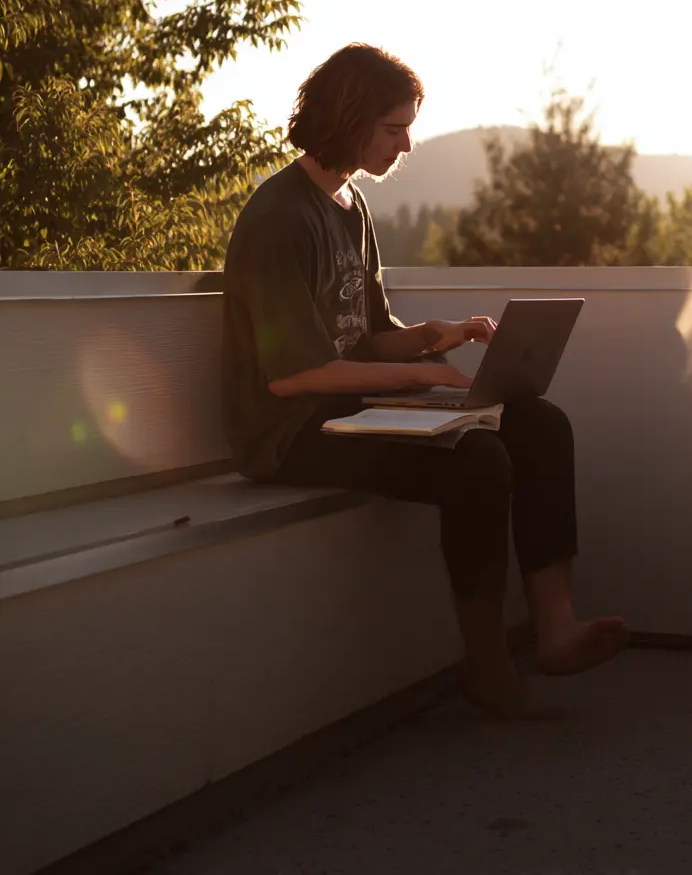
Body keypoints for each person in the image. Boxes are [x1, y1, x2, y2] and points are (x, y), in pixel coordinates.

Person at [222, 43, 629, 717]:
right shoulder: (279, 220)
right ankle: (486, 662)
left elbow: (365, 335)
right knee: (478, 460)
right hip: (291, 432)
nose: (407, 144)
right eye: (394, 129)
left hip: (350, 405)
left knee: (539, 424)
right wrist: (423, 376)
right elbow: (292, 377)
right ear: (349, 119)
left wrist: (433, 335)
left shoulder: (350, 205)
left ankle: (556, 629)